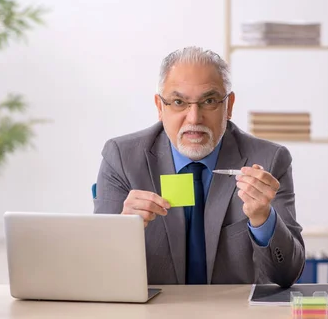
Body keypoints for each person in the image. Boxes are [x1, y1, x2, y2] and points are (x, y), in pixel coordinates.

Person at [93, 46, 305, 287]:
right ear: (160, 107)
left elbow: (288, 274)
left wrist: (263, 219)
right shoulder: (121, 158)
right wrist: (123, 229)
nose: (194, 118)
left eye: (209, 101)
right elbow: (100, 273)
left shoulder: (269, 160)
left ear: (229, 106)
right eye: (178, 102)